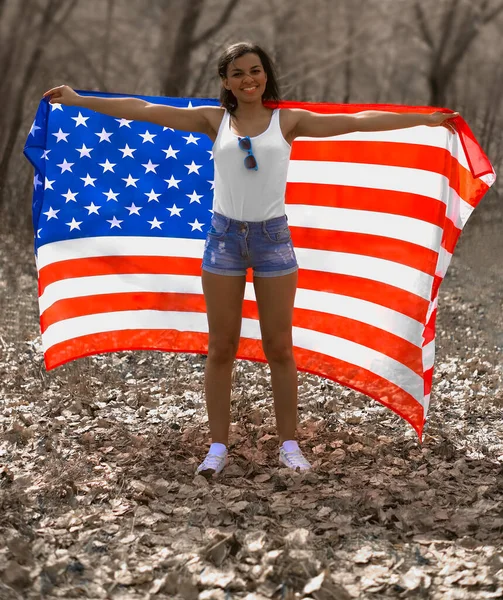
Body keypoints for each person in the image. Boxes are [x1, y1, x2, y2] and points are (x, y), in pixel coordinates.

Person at [43, 41, 458, 477]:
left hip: (273, 241)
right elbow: (141, 109)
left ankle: (290, 445)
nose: (249, 80)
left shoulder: (288, 121)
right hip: (223, 240)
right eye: (238, 73)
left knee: (279, 347)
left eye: (255, 71)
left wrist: (423, 120)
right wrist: (77, 99)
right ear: (225, 81)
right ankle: (217, 448)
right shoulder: (214, 120)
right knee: (221, 347)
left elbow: (354, 121)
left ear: (266, 75)